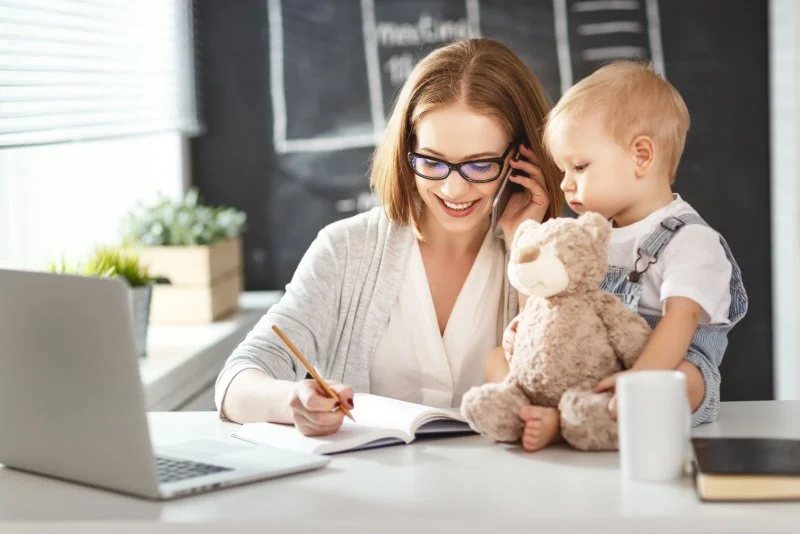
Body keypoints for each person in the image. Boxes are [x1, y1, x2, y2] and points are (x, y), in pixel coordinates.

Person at [213, 38, 565, 436]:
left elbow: (555, 394)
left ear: (521, 160)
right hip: (369, 493)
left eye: (479, 165)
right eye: (432, 162)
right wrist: (292, 400)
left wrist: (526, 241)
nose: (453, 190)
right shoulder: (346, 249)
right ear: (407, 151)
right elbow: (237, 382)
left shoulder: (551, 258)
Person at [489, 60, 748, 451]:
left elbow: (680, 319)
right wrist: (529, 331)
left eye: (579, 166)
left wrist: (641, 378)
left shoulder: (691, 240)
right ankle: (542, 411)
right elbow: (557, 297)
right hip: (593, 361)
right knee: (495, 359)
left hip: (660, 366)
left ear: (641, 156)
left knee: (685, 381)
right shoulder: (591, 235)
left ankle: (564, 422)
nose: (565, 183)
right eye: (563, 169)